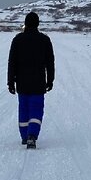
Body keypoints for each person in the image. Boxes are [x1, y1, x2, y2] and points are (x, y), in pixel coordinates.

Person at [8, 11, 55, 148]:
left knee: (24, 109)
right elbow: (50, 63)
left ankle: (24, 136)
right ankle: (32, 136)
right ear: (38, 24)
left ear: (26, 23)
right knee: (36, 109)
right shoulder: (44, 40)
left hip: (22, 83)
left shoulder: (17, 40)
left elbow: (12, 63)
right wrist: (50, 80)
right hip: (38, 83)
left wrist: (11, 82)